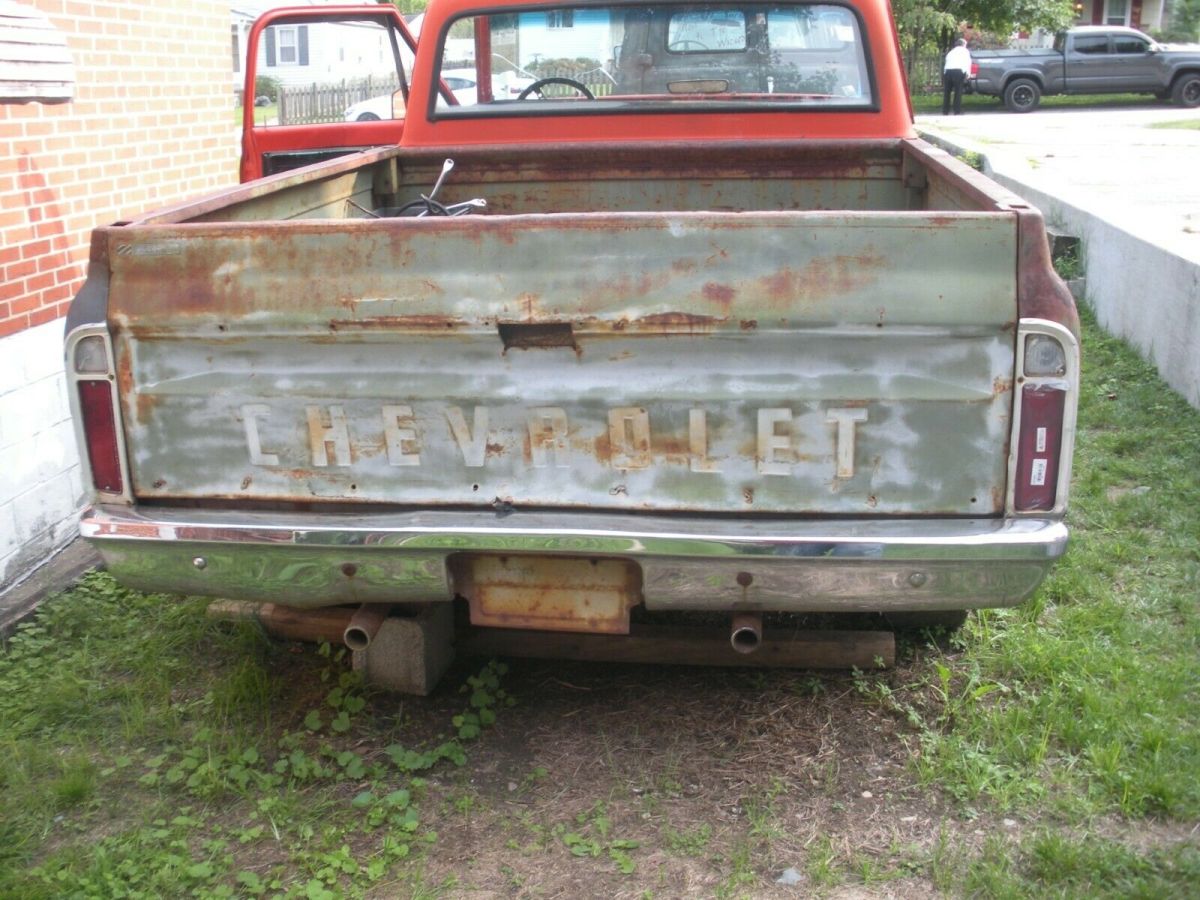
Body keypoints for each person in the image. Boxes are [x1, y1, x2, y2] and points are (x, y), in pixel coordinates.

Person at [942, 38, 971, 115]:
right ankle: (957, 111)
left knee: (947, 92)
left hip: (948, 71)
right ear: (963, 45)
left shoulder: (951, 52)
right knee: (958, 92)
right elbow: (967, 62)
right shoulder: (965, 51)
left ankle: (945, 111)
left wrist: (945, 72)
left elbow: (947, 61)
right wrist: (968, 73)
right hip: (958, 71)